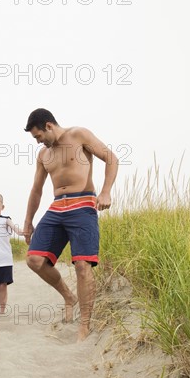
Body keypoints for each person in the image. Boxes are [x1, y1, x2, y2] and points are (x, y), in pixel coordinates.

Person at [23, 108, 118, 341]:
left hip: (82, 204)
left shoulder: (79, 135)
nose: (38, 142)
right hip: (57, 207)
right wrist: (28, 221)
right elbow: (37, 189)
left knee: (82, 266)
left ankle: (84, 326)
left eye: (38, 137)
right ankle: (68, 296)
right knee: (34, 260)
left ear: (48, 126)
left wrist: (105, 192)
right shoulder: (43, 156)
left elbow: (111, 158)